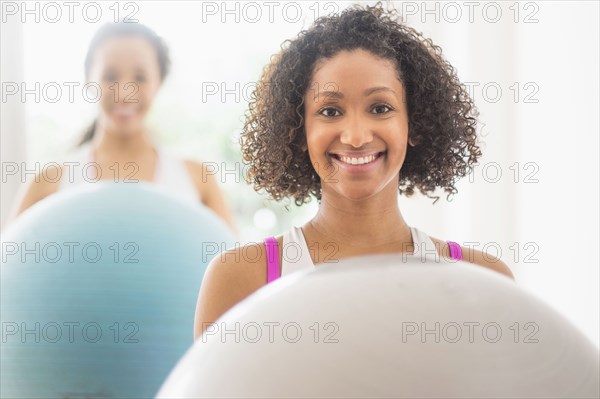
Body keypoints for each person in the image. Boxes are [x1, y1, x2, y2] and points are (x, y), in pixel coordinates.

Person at [193, 3, 514, 339]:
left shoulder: (483, 278)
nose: (356, 136)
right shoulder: (240, 278)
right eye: (330, 111)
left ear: (414, 124)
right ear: (299, 130)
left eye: (380, 108)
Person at [8, 21, 237, 235]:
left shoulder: (199, 179)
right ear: (89, 81)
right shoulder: (46, 183)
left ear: (159, 83)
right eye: (110, 76)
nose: (125, 93)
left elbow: (235, 266)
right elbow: (8, 267)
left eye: (140, 77)